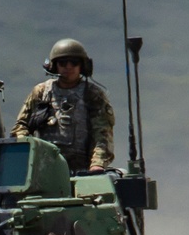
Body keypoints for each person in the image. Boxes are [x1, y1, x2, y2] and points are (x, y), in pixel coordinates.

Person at [12, 38, 114, 173]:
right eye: (63, 62)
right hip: (44, 167)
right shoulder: (41, 92)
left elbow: (102, 133)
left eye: (74, 62)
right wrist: (28, 150)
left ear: (82, 66)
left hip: (82, 169)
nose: (69, 67)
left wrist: (97, 164)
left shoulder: (92, 94)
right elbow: (21, 126)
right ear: (54, 66)